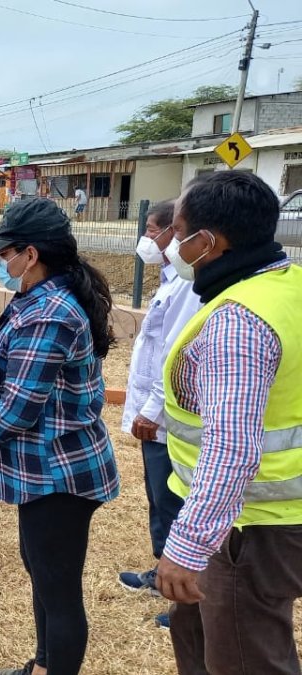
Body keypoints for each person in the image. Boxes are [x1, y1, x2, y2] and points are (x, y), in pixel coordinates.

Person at [0, 198, 119, 675]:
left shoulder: (50, 311)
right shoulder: (38, 297)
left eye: (4, 255)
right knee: (41, 573)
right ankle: (42, 666)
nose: (0, 264)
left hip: (60, 472)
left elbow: (21, 408)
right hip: (43, 469)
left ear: (30, 254)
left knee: (58, 590)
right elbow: (33, 373)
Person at [153, 171, 302, 675]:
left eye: (177, 231)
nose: (170, 243)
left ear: (208, 242)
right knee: (197, 631)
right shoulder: (289, 287)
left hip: (251, 524)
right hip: (262, 515)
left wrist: (189, 544)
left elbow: (231, 446)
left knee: (247, 655)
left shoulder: (239, 321)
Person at [116, 199, 201, 630]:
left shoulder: (187, 284)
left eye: (155, 230)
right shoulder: (171, 278)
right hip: (155, 410)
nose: (148, 239)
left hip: (165, 415)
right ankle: (163, 574)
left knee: (171, 498)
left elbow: (173, 351)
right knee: (158, 495)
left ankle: (180, 590)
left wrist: (151, 410)